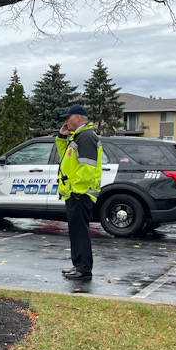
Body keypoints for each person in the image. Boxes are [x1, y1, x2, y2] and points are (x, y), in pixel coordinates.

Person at [55, 105, 102, 280]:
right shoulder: (78, 137)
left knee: (80, 232)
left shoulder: (86, 137)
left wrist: (77, 189)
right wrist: (62, 137)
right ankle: (78, 266)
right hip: (75, 193)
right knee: (76, 231)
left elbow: (87, 168)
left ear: (78, 117)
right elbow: (65, 159)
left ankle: (83, 269)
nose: (65, 121)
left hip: (80, 193)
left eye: (68, 118)